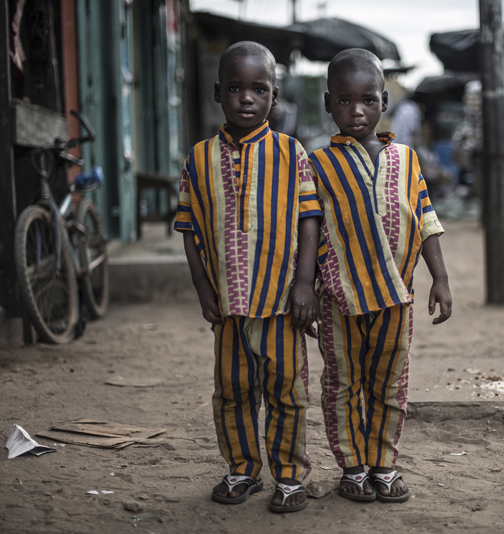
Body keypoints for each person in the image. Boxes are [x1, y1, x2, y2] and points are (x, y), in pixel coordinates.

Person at [175, 41, 321, 513]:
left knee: (287, 393)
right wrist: (203, 287)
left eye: (259, 89)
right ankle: (242, 469)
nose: (246, 98)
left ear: (274, 97)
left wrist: (305, 284)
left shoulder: (291, 152)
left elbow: (309, 220)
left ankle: (290, 476)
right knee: (232, 392)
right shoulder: (199, 158)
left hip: (280, 304)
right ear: (218, 92)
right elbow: (188, 228)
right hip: (228, 305)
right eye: (235, 88)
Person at [308, 49, 452, 503]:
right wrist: (304, 288)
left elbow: (423, 219)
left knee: (390, 385)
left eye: (368, 100)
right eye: (345, 100)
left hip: (397, 297)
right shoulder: (317, 164)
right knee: (342, 384)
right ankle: (352, 467)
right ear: (328, 103)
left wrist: (441, 278)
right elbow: (307, 230)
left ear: (384, 102)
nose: (357, 111)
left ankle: (384, 464)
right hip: (339, 299)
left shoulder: (407, 159)